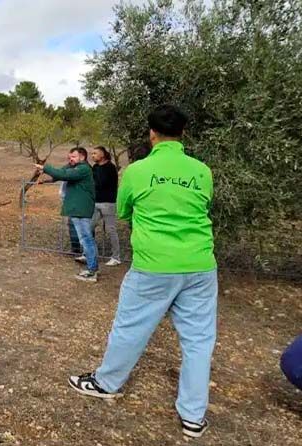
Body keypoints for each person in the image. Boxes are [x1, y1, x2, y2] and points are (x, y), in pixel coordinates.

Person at [68, 105, 218, 439]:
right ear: (183, 133)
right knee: (199, 340)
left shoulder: (138, 171)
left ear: (152, 134)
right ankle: (193, 416)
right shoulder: (202, 171)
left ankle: (107, 383)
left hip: (154, 265)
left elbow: (123, 211)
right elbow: (203, 205)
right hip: (200, 266)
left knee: (130, 326)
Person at [36, 147, 98, 282]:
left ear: (82, 157)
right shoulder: (76, 167)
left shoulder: (83, 169)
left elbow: (64, 174)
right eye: (69, 157)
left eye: (74, 157)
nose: (71, 159)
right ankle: (91, 268)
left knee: (86, 239)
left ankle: (92, 271)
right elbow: (62, 173)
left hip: (81, 209)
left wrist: (45, 167)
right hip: (78, 209)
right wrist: (46, 179)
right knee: (85, 239)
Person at [90, 146, 122, 266]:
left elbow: (101, 183)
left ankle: (116, 257)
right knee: (89, 227)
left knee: (110, 229)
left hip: (108, 203)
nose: (92, 156)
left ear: (102, 155)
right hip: (96, 202)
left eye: (95, 153)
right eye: (92, 153)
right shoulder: (95, 167)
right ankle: (89, 253)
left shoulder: (110, 167)